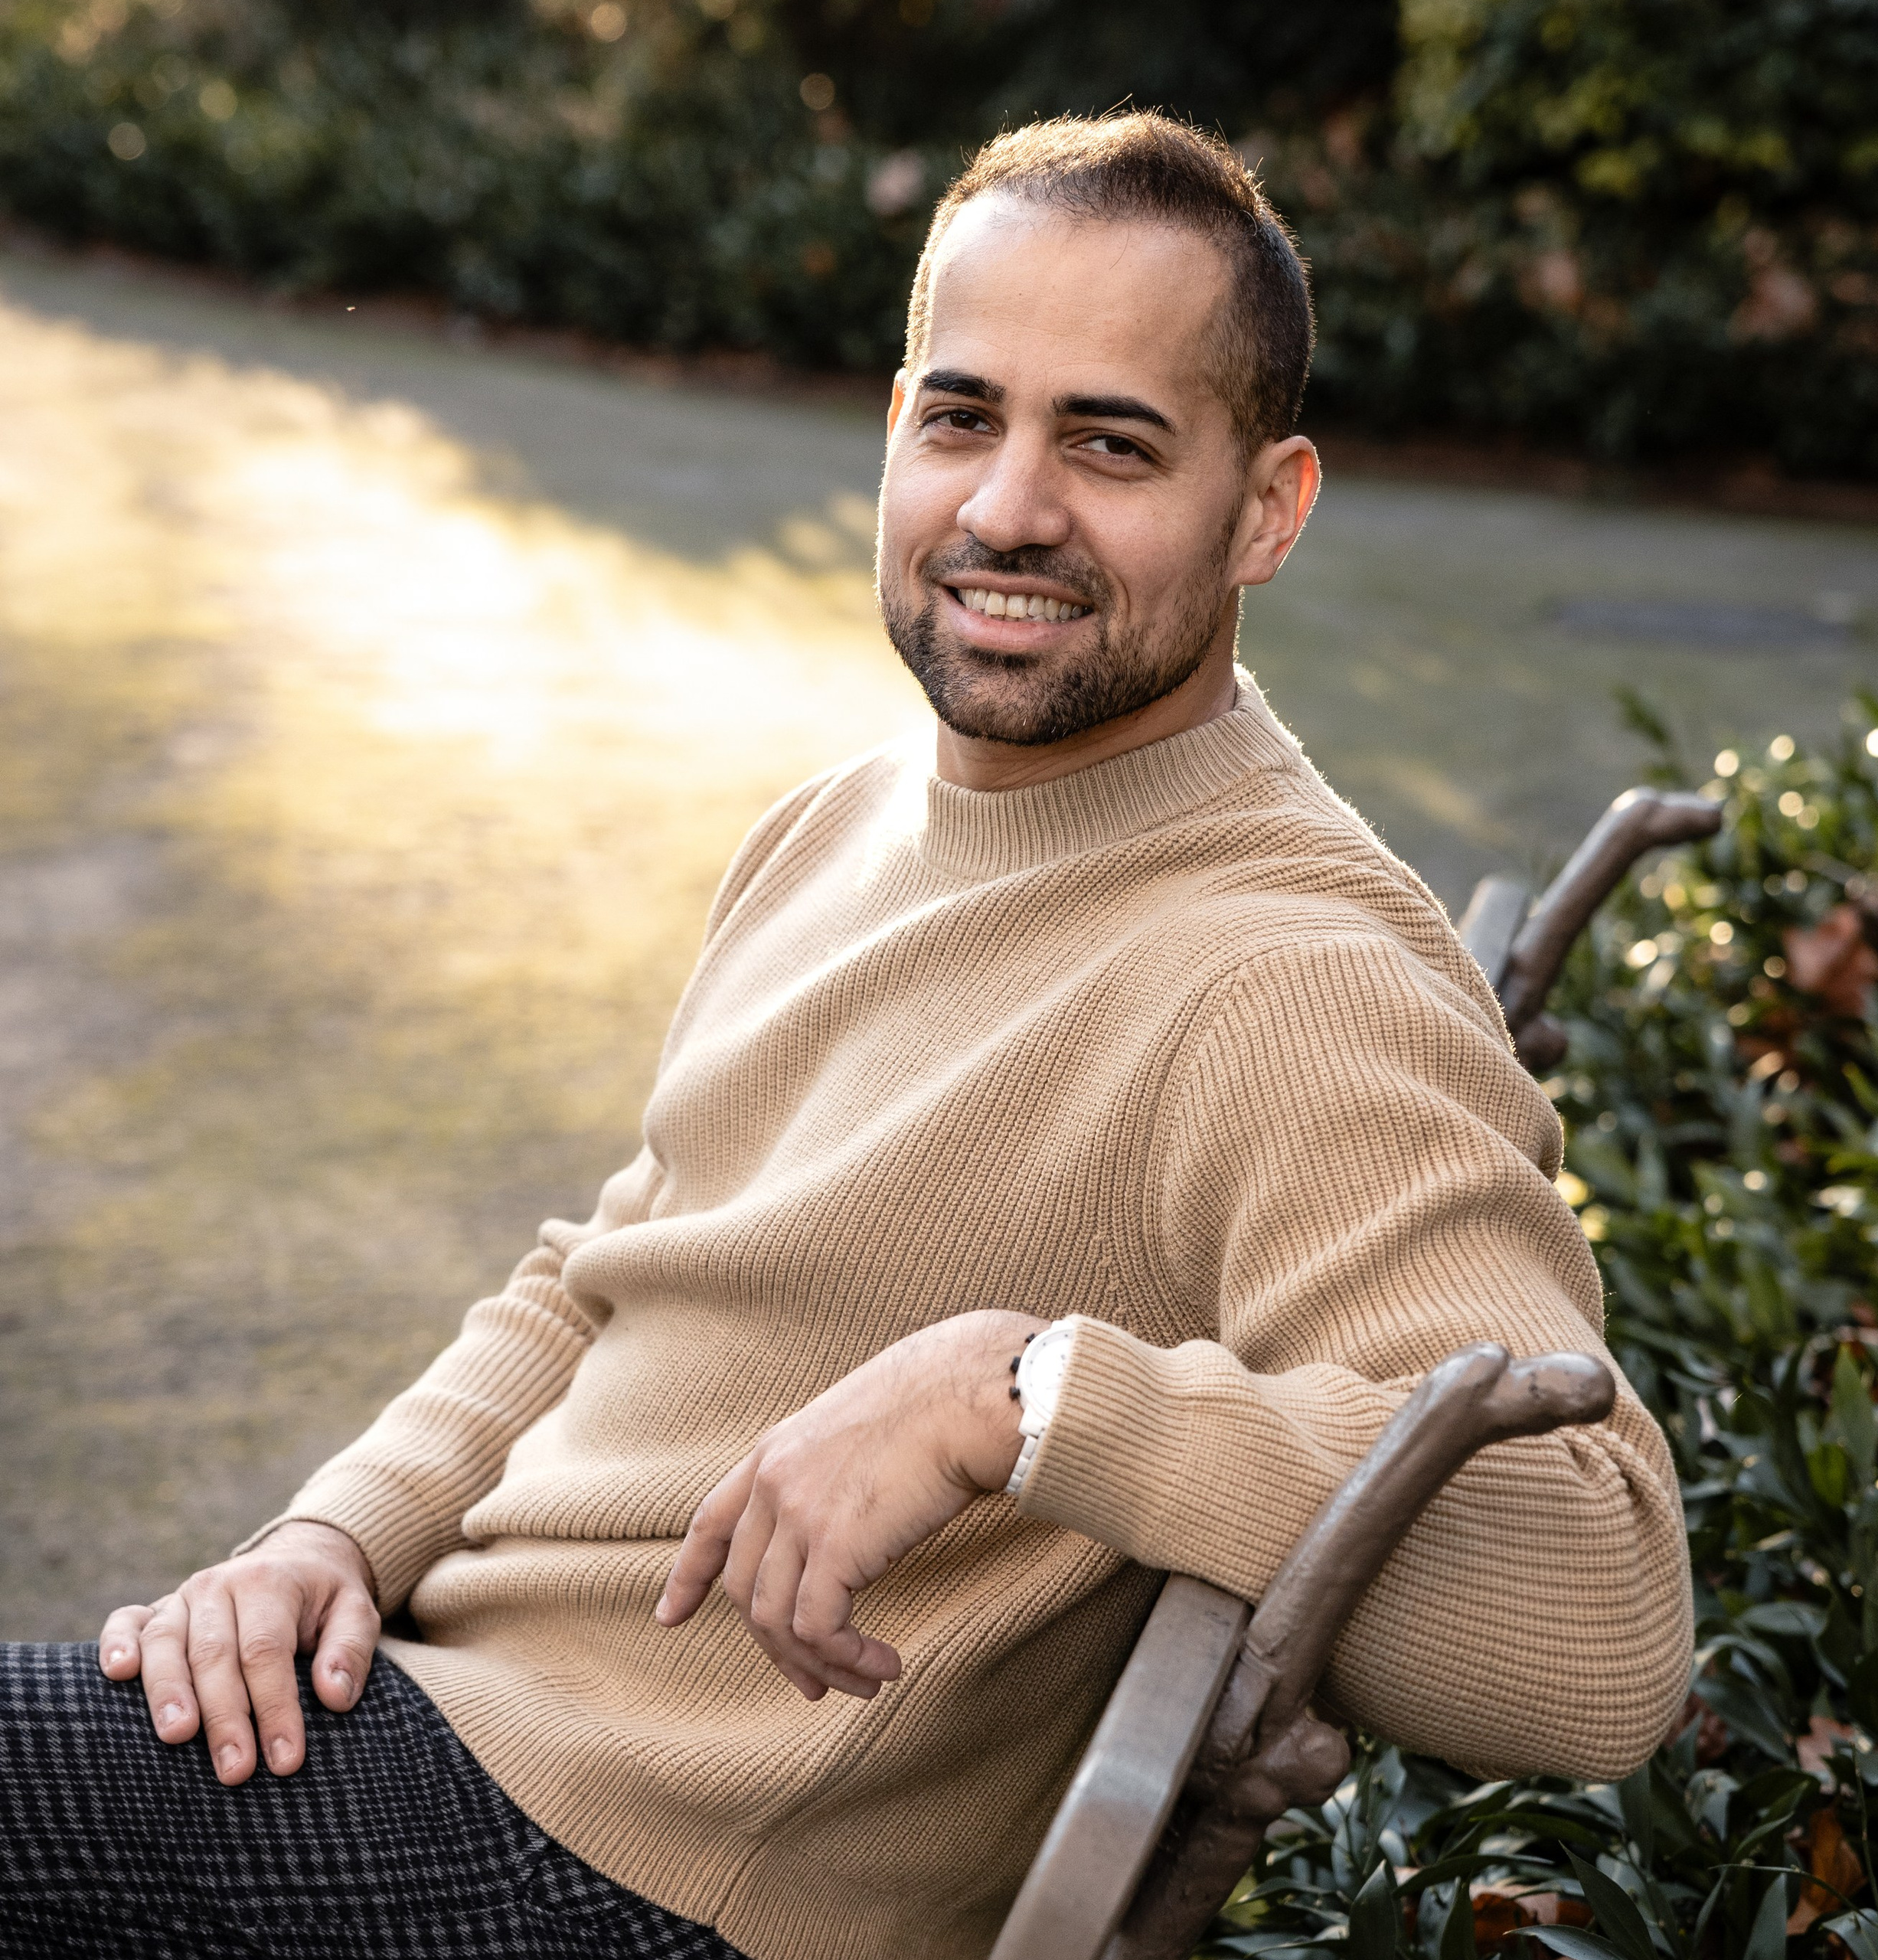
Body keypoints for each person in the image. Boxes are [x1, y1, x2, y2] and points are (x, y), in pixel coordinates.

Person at [0, 112, 1693, 1960]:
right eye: (961, 418)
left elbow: (1595, 1623)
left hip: (630, 1868)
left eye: (1108, 441)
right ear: (894, 425)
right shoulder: (836, 821)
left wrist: (1021, 1390)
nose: (1004, 507)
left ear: (1265, 505)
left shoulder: (1286, 976)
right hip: (435, 1717)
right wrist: (330, 1538)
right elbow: (610, 1267)